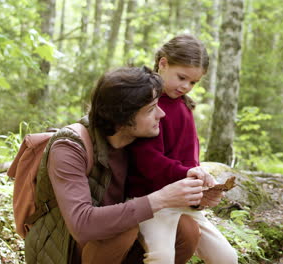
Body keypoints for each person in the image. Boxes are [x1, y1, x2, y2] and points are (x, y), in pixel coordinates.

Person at [25, 66, 207, 264]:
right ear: (122, 121)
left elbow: (163, 180)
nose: (161, 114)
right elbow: (82, 224)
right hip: (65, 250)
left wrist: (199, 194)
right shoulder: (69, 147)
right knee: (122, 230)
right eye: (151, 109)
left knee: (186, 230)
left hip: (113, 246)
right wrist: (161, 199)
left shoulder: (138, 142)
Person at [127, 34, 238, 263]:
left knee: (227, 258)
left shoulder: (184, 106)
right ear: (163, 63)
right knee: (162, 257)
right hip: (152, 200)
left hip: (184, 200)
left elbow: (189, 160)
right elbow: (147, 160)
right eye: (182, 77)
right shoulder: (149, 104)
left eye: (193, 82)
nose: (186, 86)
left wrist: (201, 188)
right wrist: (185, 174)